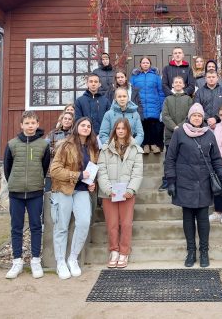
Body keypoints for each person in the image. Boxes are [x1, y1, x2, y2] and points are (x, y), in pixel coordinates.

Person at [164, 103, 222, 268]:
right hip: (185, 181)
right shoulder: (179, 133)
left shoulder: (209, 134)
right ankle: (191, 252)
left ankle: (204, 252)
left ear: (203, 118)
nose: (197, 118)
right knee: (188, 218)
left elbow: (216, 159)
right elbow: (170, 159)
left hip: (204, 182)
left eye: (200, 115)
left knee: (203, 219)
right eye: (194, 115)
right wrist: (171, 181)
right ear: (189, 117)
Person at [3, 110, 51, 279]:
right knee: (16, 227)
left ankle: (35, 260)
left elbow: (44, 166)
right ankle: (17, 261)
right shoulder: (12, 144)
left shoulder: (43, 145)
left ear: (37, 124)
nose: (30, 126)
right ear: (21, 125)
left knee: (36, 226)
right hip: (16, 193)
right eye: (27, 123)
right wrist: (15, 183)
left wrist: (35, 181)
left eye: (33, 123)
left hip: (35, 192)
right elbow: (7, 168)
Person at [49, 117, 99, 279]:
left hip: (82, 190)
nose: (86, 128)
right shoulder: (65, 145)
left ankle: (73, 258)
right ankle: (60, 262)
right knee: (61, 226)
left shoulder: (92, 147)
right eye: (83, 125)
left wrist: (92, 183)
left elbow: (90, 171)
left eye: (88, 126)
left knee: (84, 223)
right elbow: (54, 170)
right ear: (77, 127)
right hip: (63, 189)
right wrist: (77, 175)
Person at [97, 118, 143, 269]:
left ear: (128, 130)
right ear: (114, 130)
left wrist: (130, 190)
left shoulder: (136, 149)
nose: (121, 131)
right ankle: (114, 251)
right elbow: (101, 171)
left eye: (123, 128)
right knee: (112, 224)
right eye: (118, 128)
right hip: (109, 194)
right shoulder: (105, 149)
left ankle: (124, 252)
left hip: (127, 194)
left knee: (126, 224)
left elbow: (137, 173)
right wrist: (108, 189)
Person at [159, 76, 193, 190]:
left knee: (184, 158)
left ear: (183, 85)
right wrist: (174, 127)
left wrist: (181, 127)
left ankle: (183, 180)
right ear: (172, 85)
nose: (178, 84)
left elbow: (190, 116)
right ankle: (167, 181)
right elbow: (165, 115)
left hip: (185, 133)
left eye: (180, 82)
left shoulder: (188, 99)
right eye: (176, 82)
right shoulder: (167, 99)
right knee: (169, 159)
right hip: (170, 134)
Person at [130, 57, 165, 154]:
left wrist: (161, 105)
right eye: (143, 63)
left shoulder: (156, 77)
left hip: (154, 104)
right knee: (142, 125)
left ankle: (153, 144)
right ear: (140, 64)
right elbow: (132, 92)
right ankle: (145, 145)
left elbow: (161, 92)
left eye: (147, 63)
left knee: (153, 125)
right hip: (140, 105)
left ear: (150, 64)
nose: (145, 64)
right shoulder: (135, 77)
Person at [45, 111, 74, 192]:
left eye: (69, 119)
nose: (67, 120)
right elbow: (46, 147)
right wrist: (57, 152)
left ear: (72, 121)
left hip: (68, 168)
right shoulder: (53, 133)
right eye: (65, 118)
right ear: (61, 120)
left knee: (64, 193)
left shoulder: (74, 135)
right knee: (49, 193)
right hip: (52, 167)